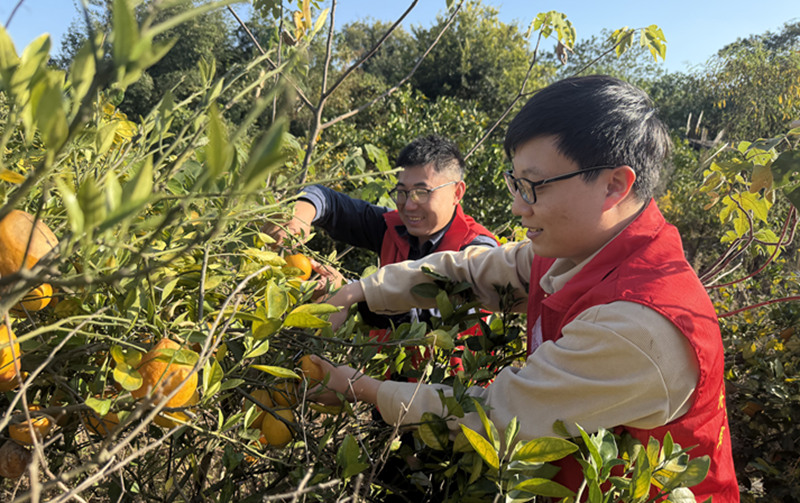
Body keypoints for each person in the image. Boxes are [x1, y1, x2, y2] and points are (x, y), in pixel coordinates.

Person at [308, 76, 739, 501]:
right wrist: (358, 293)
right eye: (515, 183)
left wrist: (355, 386)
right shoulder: (579, 247)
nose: (518, 206)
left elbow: (496, 420)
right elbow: (470, 274)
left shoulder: (639, 325)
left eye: (533, 186)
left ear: (614, 185)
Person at [275, 134, 498, 373]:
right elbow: (329, 202)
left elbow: (433, 313)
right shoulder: (392, 226)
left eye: (422, 192)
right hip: (384, 387)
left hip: (449, 397)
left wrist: (352, 292)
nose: (409, 205)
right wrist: (299, 215)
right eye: (402, 191)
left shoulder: (479, 249)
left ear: (457, 192)